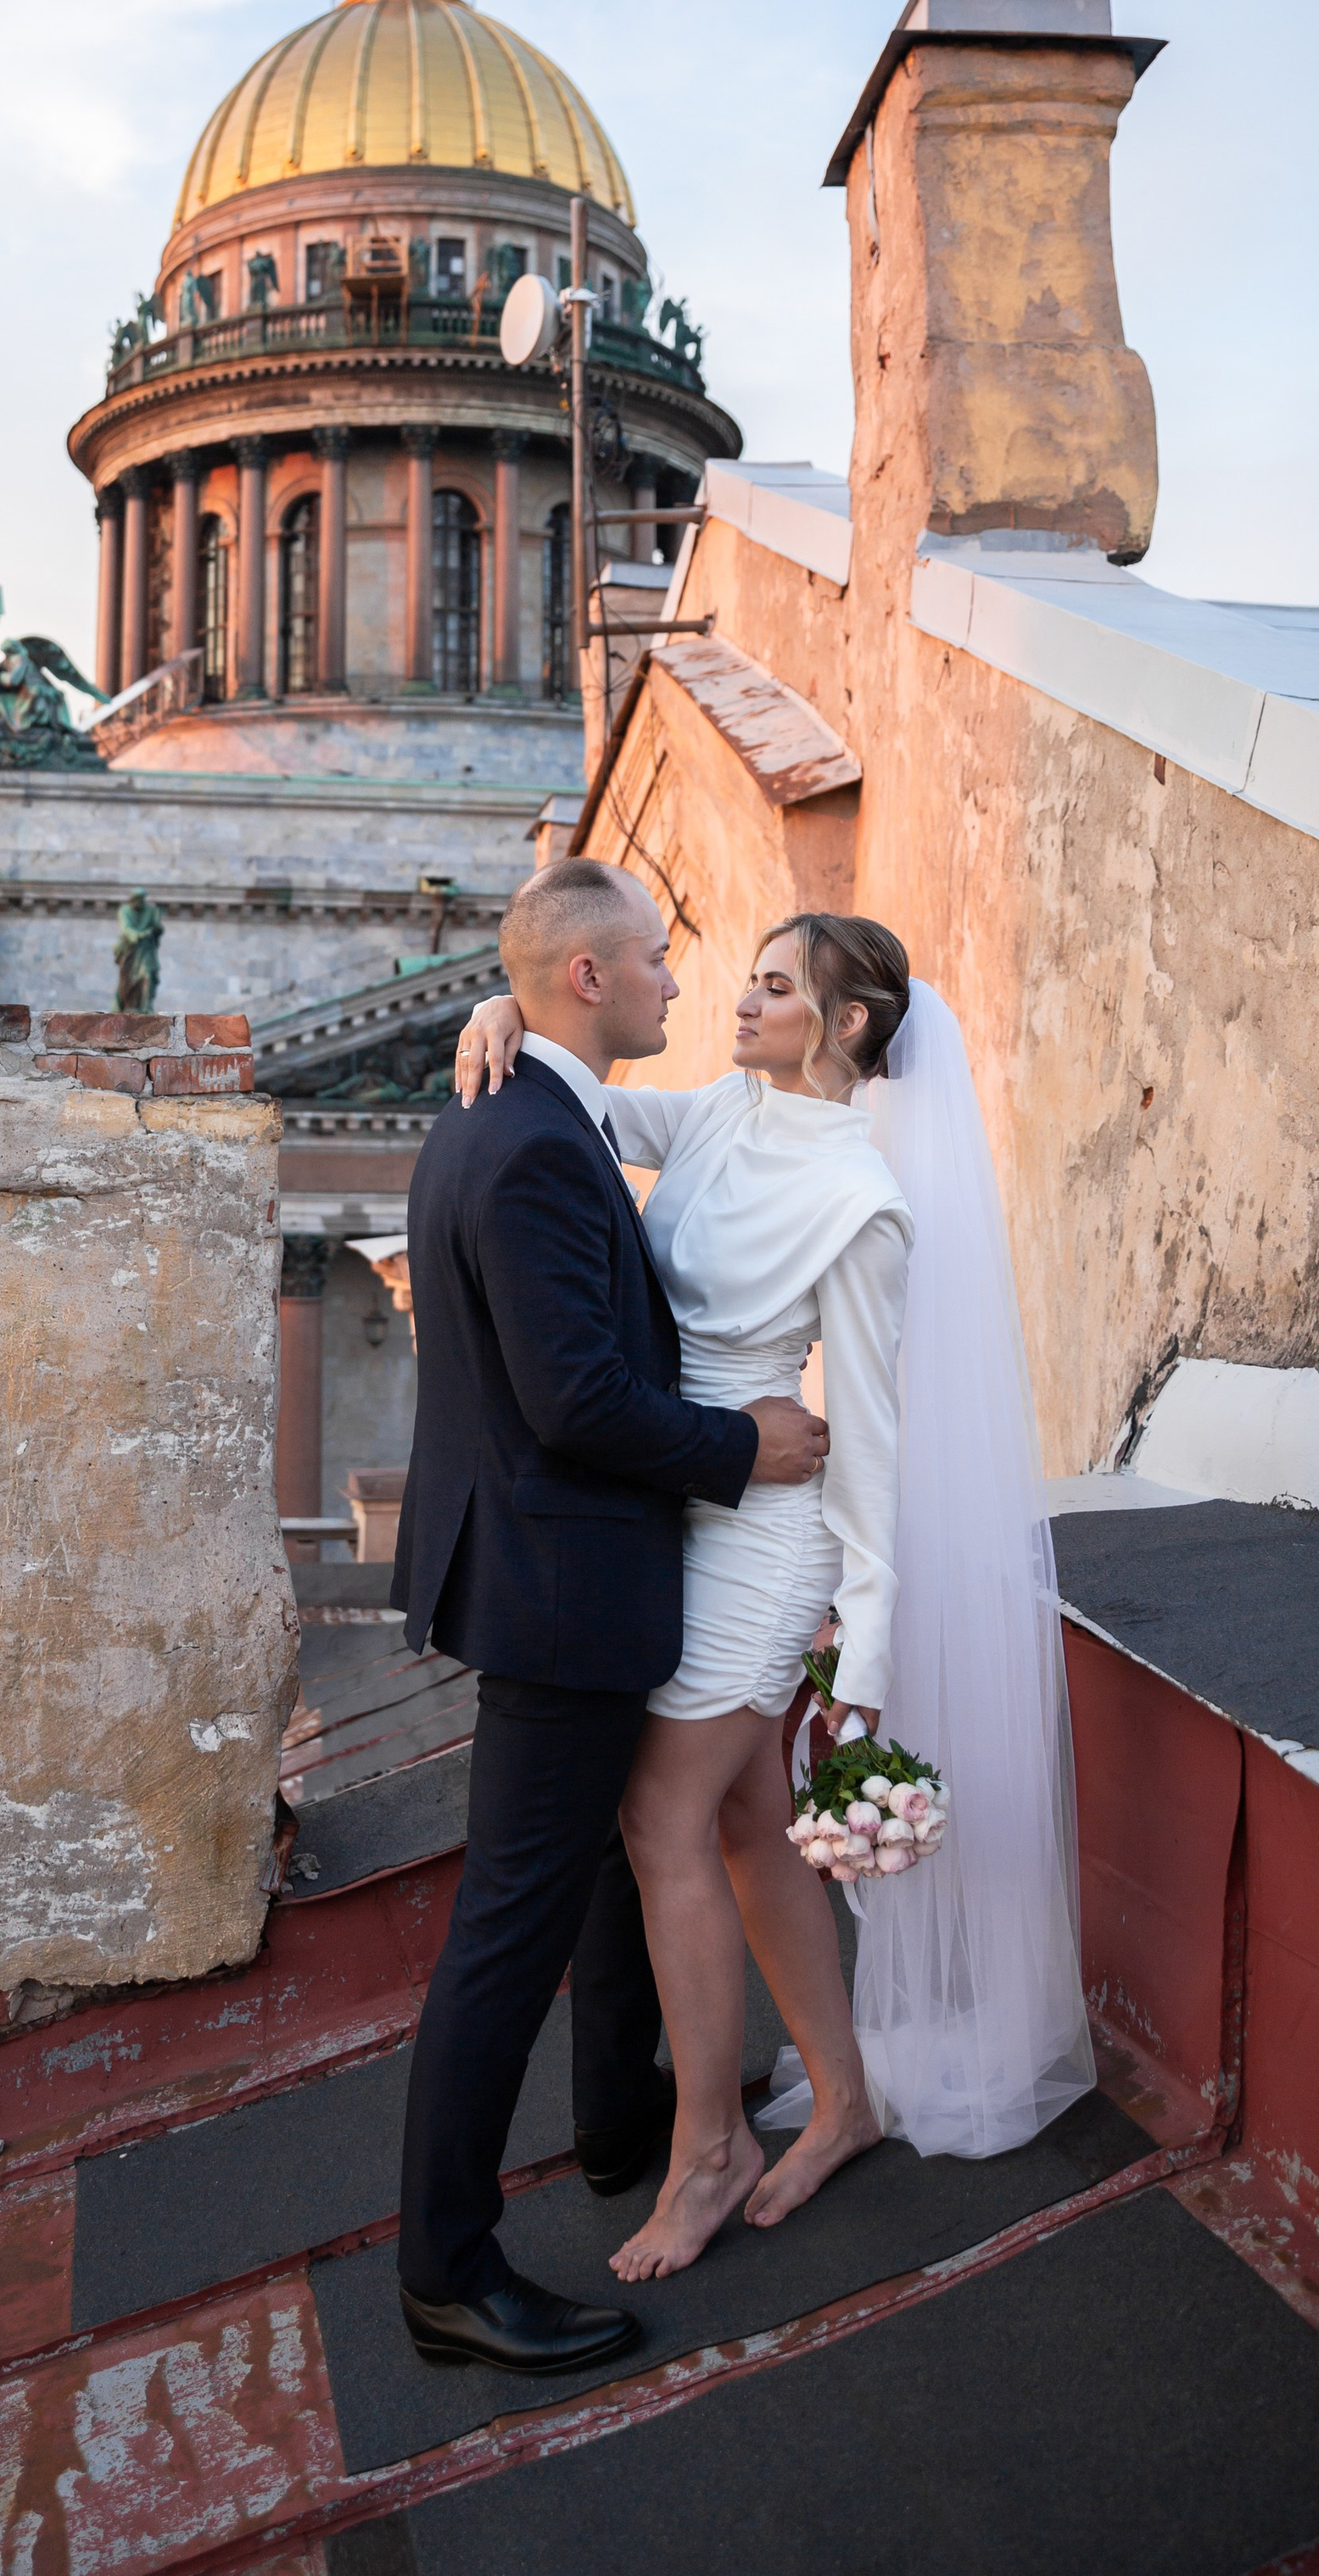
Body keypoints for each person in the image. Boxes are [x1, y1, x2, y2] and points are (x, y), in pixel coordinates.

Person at [455, 910, 1094, 2279]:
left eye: (773, 988)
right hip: (680, 1494)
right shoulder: (722, 1114)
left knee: (658, 1813)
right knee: (746, 1818)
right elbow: (589, 1106)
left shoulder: (863, 1205)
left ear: (846, 1025)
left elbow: (866, 1439)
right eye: (741, 979)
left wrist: (860, 1653)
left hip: (768, 1538)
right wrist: (498, 1016)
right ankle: (846, 2096)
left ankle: (706, 2150)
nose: (736, 1003)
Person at [392, 861, 830, 2375]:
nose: (673, 978)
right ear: (587, 980)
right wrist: (745, 1448)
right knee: (506, 1934)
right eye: (654, 956)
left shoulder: (512, 1114)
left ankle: (612, 2124)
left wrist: (488, 1003)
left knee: (585, 1878)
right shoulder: (533, 1145)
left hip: (537, 1571)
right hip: (564, 1584)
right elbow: (574, 1398)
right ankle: (446, 2271)